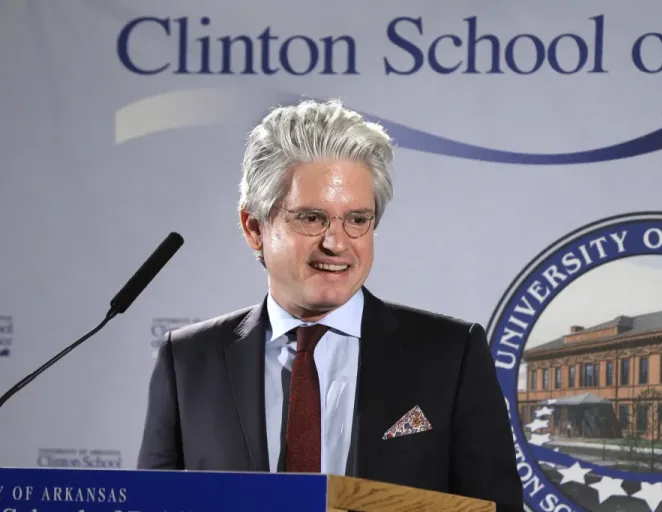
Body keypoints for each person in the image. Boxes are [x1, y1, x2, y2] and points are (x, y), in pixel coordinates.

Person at [137, 99, 523, 510]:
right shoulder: (188, 362)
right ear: (254, 228)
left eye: (357, 219)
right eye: (312, 218)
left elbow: (497, 509)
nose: (336, 243)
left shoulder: (452, 355)